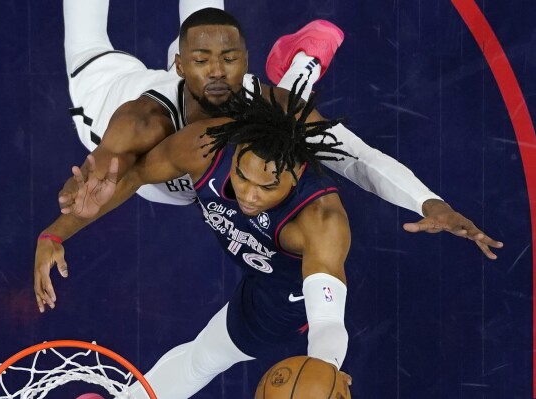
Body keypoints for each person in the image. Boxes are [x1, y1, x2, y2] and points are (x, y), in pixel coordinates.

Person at [34, 0, 503, 312]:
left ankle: (301, 65)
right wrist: (61, 226)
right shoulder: (140, 121)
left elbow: (355, 156)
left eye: (230, 58)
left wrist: (428, 202)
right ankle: (304, 64)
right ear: (177, 63)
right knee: (86, 27)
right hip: (105, 100)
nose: (219, 72)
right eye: (200, 61)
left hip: (204, 152)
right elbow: (112, 177)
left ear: (246, 57)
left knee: (207, 18)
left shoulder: (264, 100)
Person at [69, 83, 353, 399]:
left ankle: (307, 62)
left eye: (266, 186)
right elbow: (135, 173)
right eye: (242, 177)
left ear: (297, 174)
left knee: (204, 358)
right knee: (198, 359)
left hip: (282, 294)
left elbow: (327, 320)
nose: (248, 193)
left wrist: (326, 365)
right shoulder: (210, 145)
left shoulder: (321, 220)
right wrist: (56, 232)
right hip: (254, 255)